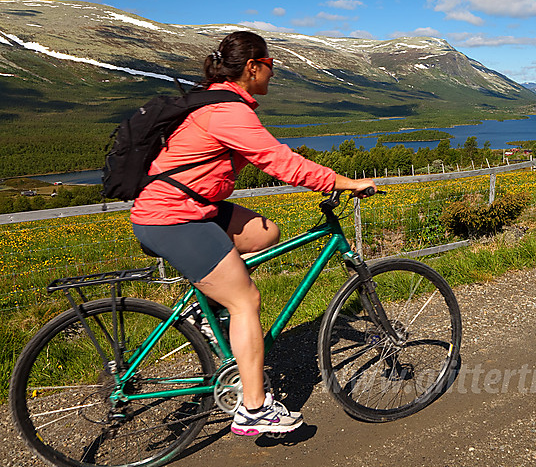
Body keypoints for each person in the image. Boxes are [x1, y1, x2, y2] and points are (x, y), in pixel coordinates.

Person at [130, 31, 376, 436]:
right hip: (173, 216)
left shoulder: (216, 99)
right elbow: (279, 161)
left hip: (191, 206)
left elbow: (263, 159)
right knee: (247, 300)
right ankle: (254, 408)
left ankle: (207, 309)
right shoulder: (228, 112)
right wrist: (342, 182)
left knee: (265, 233)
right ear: (253, 66)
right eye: (271, 67)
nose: (272, 75)